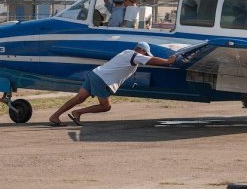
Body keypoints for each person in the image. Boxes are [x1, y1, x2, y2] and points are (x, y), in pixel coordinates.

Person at [49, 42, 177, 126]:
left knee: (79, 98)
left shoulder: (126, 52)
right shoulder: (135, 54)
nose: (145, 56)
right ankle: (78, 113)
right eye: (145, 53)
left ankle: (55, 116)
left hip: (95, 74)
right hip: (103, 80)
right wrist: (167, 61)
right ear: (141, 50)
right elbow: (152, 60)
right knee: (105, 106)